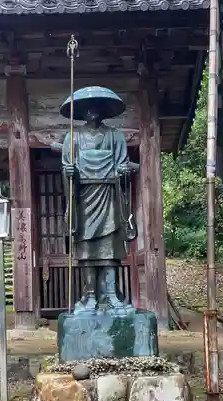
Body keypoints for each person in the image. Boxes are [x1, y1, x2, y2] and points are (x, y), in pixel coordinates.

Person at [56, 86, 138, 313]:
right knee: (87, 250)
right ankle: (89, 295)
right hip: (84, 199)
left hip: (109, 197)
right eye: (87, 108)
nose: (92, 111)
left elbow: (123, 165)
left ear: (103, 111)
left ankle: (111, 294)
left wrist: (122, 172)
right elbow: (66, 167)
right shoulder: (72, 137)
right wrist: (69, 173)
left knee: (110, 248)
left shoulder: (115, 136)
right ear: (81, 112)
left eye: (97, 107)